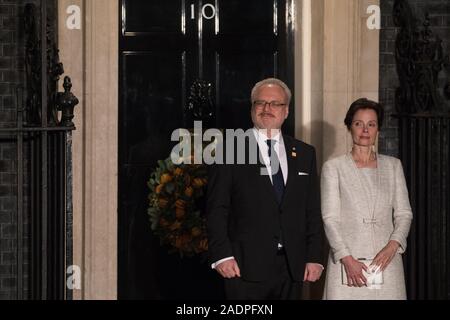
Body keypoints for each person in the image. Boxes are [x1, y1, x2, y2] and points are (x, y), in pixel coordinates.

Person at [206, 78, 324, 300]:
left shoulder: (305, 153)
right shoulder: (230, 149)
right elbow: (216, 208)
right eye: (260, 103)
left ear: (286, 110)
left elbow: (312, 210)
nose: (267, 109)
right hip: (243, 268)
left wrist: (314, 256)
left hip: (293, 268)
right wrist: (222, 256)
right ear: (252, 109)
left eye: (275, 103)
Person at [321, 98, 413, 299]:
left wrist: (393, 245)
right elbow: (330, 219)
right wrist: (346, 258)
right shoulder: (333, 168)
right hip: (347, 262)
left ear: (378, 129)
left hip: (386, 261)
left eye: (371, 124)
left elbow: (404, 214)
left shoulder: (393, 166)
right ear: (349, 127)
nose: (365, 130)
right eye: (358, 124)